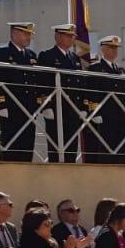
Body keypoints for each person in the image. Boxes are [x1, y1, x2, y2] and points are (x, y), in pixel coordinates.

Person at [0, 22, 41, 162]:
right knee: (12, 145)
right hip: (11, 107)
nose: (28, 37)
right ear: (14, 33)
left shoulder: (32, 55)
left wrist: (38, 103)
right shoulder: (1, 53)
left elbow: (36, 82)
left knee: (28, 145)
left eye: (30, 34)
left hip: (29, 107)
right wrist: (0, 103)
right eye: (25, 33)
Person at [37, 24, 84, 162]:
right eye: (68, 36)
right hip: (56, 108)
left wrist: (81, 107)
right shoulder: (47, 56)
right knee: (55, 147)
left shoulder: (75, 58)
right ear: (58, 36)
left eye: (72, 36)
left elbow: (80, 85)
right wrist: (46, 106)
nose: (71, 39)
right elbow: (42, 82)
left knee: (72, 148)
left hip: (72, 109)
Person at [84, 35, 125, 162]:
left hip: (121, 116)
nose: (115, 51)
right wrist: (94, 112)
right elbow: (91, 92)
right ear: (103, 49)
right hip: (105, 116)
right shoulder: (95, 68)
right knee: (106, 152)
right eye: (111, 48)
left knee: (121, 152)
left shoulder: (120, 69)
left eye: (116, 48)